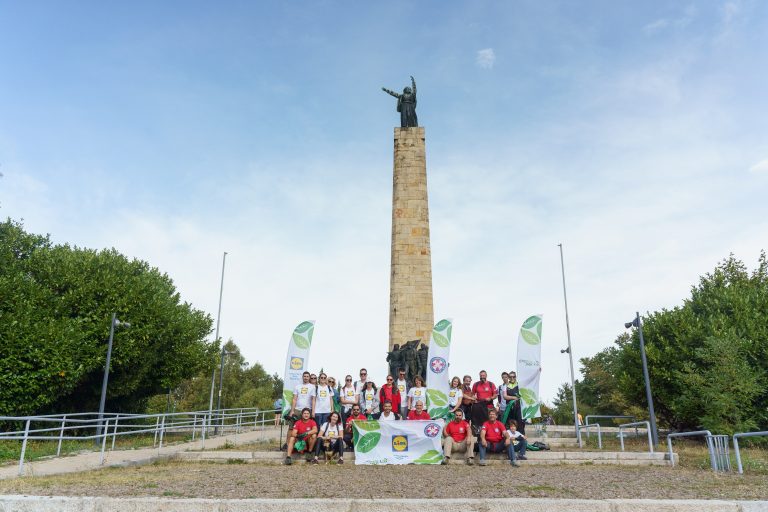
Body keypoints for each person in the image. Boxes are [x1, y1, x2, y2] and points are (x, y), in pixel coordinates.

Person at [505, 370, 524, 435]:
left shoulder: (520, 384)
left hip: (518, 407)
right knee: (510, 424)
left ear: (516, 377)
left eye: (514, 377)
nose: (512, 378)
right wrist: (514, 398)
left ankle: (521, 439)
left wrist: (537, 372)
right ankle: (510, 440)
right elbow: (505, 396)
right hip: (509, 408)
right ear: (509, 378)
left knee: (520, 423)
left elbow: (530, 380)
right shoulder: (506, 385)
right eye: (510, 377)